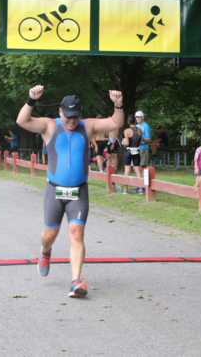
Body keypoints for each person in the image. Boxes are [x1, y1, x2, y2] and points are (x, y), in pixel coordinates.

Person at [17, 86, 124, 297]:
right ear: (60, 112)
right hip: (54, 191)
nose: (72, 121)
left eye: (75, 117)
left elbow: (116, 122)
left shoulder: (89, 126)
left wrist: (118, 104)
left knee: (76, 234)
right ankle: (45, 252)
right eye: (68, 117)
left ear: (80, 114)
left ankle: (76, 281)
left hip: (78, 192)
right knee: (50, 234)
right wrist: (31, 99)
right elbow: (22, 121)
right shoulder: (49, 126)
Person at [121, 114, 144, 195]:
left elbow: (127, 142)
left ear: (128, 122)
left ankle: (125, 189)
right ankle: (140, 189)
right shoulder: (140, 130)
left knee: (127, 170)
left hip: (128, 151)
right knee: (137, 170)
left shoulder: (126, 130)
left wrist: (122, 143)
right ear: (135, 121)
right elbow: (141, 142)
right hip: (136, 151)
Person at [133, 111, 151, 193]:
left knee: (143, 167)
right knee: (136, 167)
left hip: (143, 148)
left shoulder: (146, 126)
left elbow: (149, 138)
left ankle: (144, 185)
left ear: (143, 117)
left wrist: (141, 140)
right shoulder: (136, 126)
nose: (138, 118)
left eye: (139, 117)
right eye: (136, 117)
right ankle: (140, 185)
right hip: (136, 148)